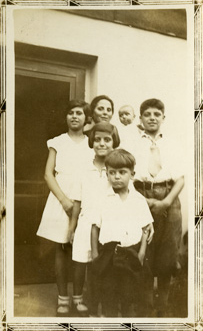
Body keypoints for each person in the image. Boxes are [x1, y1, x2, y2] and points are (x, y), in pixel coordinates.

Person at [36, 99, 93, 317]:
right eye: (71, 113)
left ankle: (78, 297)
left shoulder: (91, 143)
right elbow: (48, 174)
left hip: (85, 200)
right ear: (66, 117)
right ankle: (62, 298)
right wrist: (64, 200)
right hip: (61, 198)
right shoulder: (57, 142)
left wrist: (81, 203)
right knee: (61, 249)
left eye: (79, 113)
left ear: (86, 118)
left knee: (79, 249)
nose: (75, 116)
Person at [133, 98, 185, 317]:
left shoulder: (172, 143)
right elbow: (127, 176)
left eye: (156, 114)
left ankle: (162, 305)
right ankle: (145, 305)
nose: (152, 118)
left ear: (163, 118)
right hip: (140, 194)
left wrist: (165, 202)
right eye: (147, 114)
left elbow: (180, 179)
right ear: (141, 118)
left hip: (169, 196)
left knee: (168, 250)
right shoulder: (133, 143)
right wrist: (142, 201)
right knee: (144, 249)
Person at [91, 149, 154, 317]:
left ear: (132, 174)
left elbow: (145, 229)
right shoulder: (102, 199)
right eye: (112, 173)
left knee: (129, 294)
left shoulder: (139, 200)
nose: (117, 176)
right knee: (109, 293)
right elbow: (95, 227)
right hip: (109, 254)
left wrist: (141, 253)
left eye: (122, 172)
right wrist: (96, 254)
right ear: (107, 175)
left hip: (131, 253)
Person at [70, 122, 120, 317]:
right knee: (82, 262)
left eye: (107, 140)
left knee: (104, 266)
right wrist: (72, 227)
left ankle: (104, 305)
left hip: (108, 225)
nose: (101, 143)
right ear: (92, 142)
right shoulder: (83, 169)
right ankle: (81, 301)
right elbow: (77, 200)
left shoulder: (116, 168)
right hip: (86, 222)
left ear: (113, 142)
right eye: (97, 139)